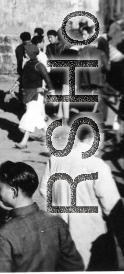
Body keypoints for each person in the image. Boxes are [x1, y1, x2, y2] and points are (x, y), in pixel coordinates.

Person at [40, 112, 122, 270]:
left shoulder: (56, 158)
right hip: (91, 242)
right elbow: (113, 209)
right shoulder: (97, 166)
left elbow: (44, 190)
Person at [0, 160, 84, 272]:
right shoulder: (58, 223)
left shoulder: (5, 234)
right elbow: (74, 266)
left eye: (0, 188)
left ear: (14, 192)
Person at [14, 45, 54, 149]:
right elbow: (22, 76)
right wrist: (14, 86)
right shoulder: (27, 64)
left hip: (37, 96)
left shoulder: (39, 66)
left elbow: (47, 79)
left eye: (26, 53)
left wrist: (52, 92)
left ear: (31, 53)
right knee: (37, 118)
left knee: (30, 116)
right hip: (27, 94)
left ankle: (23, 142)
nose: (24, 54)